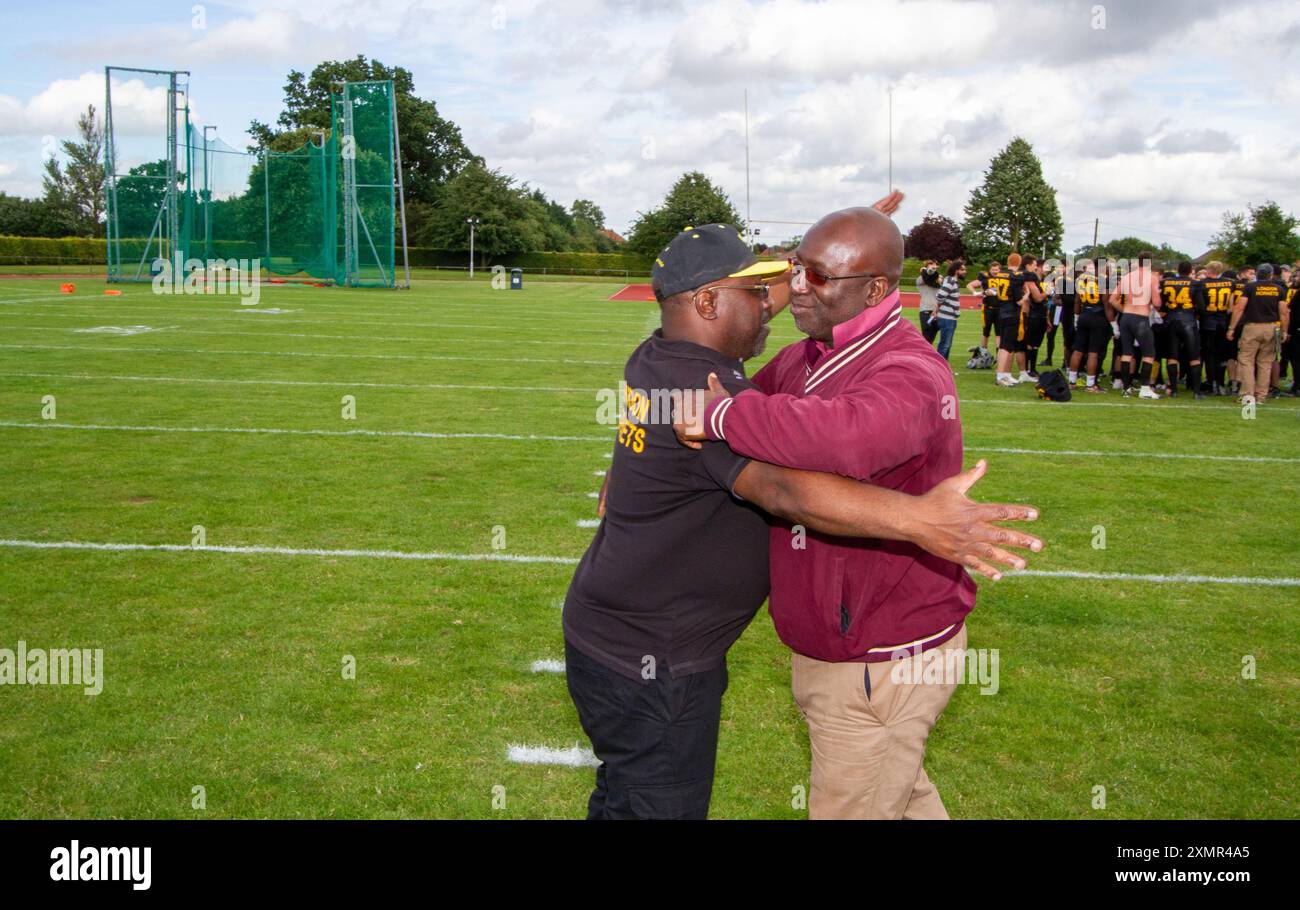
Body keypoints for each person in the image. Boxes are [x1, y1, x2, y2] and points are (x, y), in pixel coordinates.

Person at [566, 222, 1042, 820]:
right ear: (709, 302)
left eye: (813, 275)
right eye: (789, 273)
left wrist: (725, 417)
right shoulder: (792, 361)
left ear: (874, 290)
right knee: (890, 785)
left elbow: (845, 439)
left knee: (871, 791)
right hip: (715, 652)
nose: (790, 291)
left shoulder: (910, 372)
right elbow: (778, 476)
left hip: (880, 651)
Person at [1226, 263, 1291, 405]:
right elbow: (1284, 312)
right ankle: (1261, 395)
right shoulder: (1279, 289)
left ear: (1258, 274)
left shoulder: (1250, 287)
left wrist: (1231, 327)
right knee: (1265, 363)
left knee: (1246, 361)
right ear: (1271, 275)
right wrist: (1285, 330)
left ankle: (1247, 395)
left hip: (1252, 327)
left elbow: (1239, 308)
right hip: (1272, 327)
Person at [1109, 251, 1162, 399]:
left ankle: (1126, 388)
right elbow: (1157, 302)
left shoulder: (1127, 277)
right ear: (1149, 263)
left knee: (1126, 353)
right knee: (1149, 353)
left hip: (1126, 317)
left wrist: (1124, 310)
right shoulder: (1152, 278)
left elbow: (1112, 299)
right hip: (1141, 318)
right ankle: (1145, 388)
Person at [1158, 261, 1206, 398]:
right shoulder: (1195, 284)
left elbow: (1161, 304)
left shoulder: (1166, 282)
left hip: (1171, 321)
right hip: (1188, 321)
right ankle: (1196, 392)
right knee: (1194, 357)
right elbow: (1201, 307)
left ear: (1178, 270)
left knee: (1172, 357)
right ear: (1190, 270)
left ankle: (1173, 390)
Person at [1068, 261, 1111, 392]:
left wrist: (1076, 318)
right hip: (1097, 317)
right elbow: (1106, 303)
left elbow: (1077, 300)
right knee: (1093, 353)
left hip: (1084, 315)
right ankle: (1090, 384)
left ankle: (1071, 382)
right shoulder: (1104, 279)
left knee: (1078, 350)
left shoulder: (1082, 278)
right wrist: (1113, 323)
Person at [994, 253, 1031, 386]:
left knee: (1006, 346)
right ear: (1019, 262)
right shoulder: (1015, 277)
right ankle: (1000, 376)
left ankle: (1005, 374)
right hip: (1011, 313)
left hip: (1001, 312)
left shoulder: (1000, 274)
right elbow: (1019, 302)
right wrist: (1027, 294)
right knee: (1005, 346)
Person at [1200, 261, 1234, 395]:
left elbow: (1201, 306)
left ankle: (1212, 383)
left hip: (1208, 322)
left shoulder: (1203, 284)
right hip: (1223, 322)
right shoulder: (1230, 283)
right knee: (1221, 356)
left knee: (1209, 355)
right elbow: (1231, 307)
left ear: (1209, 270)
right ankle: (1220, 383)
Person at [932, 260, 965, 362]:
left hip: (949, 317)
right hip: (947, 318)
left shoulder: (951, 281)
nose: (965, 271)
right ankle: (938, 368)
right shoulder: (950, 281)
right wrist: (949, 306)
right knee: (945, 345)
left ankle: (943, 368)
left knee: (946, 345)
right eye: (962, 269)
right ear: (956, 271)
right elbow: (940, 296)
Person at [968, 261, 1003, 355]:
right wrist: (975, 293)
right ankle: (983, 354)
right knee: (986, 332)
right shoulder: (985, 277)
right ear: (990, 270)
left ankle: (999, 355)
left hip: (1000, 309)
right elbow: (970, 285)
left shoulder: (1003, 278)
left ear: (1000, 270)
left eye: (997, 269)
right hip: (987, 308)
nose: (995, 271)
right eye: (993, 269)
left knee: (999, 333)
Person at [916, 259, 941, 345]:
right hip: (926, 311)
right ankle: (922, 355)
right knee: (927, 337)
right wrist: (927, 270)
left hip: (938, 311)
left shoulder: (939, 278)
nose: (934, 268)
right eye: (931, 266)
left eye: (935, 266)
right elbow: (928, 277)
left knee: (930, 339)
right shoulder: (920, 279)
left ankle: (924, 355)